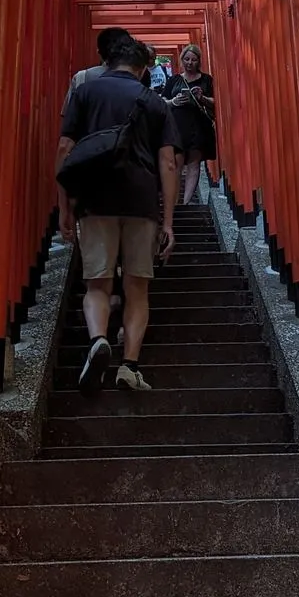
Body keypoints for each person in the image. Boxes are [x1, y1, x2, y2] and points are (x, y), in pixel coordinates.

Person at [56, 35, 180, 394]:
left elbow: (65, 148)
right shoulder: (154, 102)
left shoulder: (85, 93)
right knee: (137, 287)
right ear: (143, 69)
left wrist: (64, 207)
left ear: (108, 63)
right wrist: (168, 221)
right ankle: (129, 365)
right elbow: (168, 162)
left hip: (95, 200)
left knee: (97, 282)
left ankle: (98, 340)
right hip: (141, 202)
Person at [162, 44, 216, 204]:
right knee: (177, 163)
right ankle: (175, 201)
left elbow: (215, 102)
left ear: (199, 61)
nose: (190, 63)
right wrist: (174, 101)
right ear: (182, 60)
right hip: (178, 125)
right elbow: (163, 101)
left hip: (198, 125)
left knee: (194, 162)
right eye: (186, 59)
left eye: (193, 59)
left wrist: (202, 98)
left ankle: (185, 203)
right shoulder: (174, 80)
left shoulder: (206, 80)